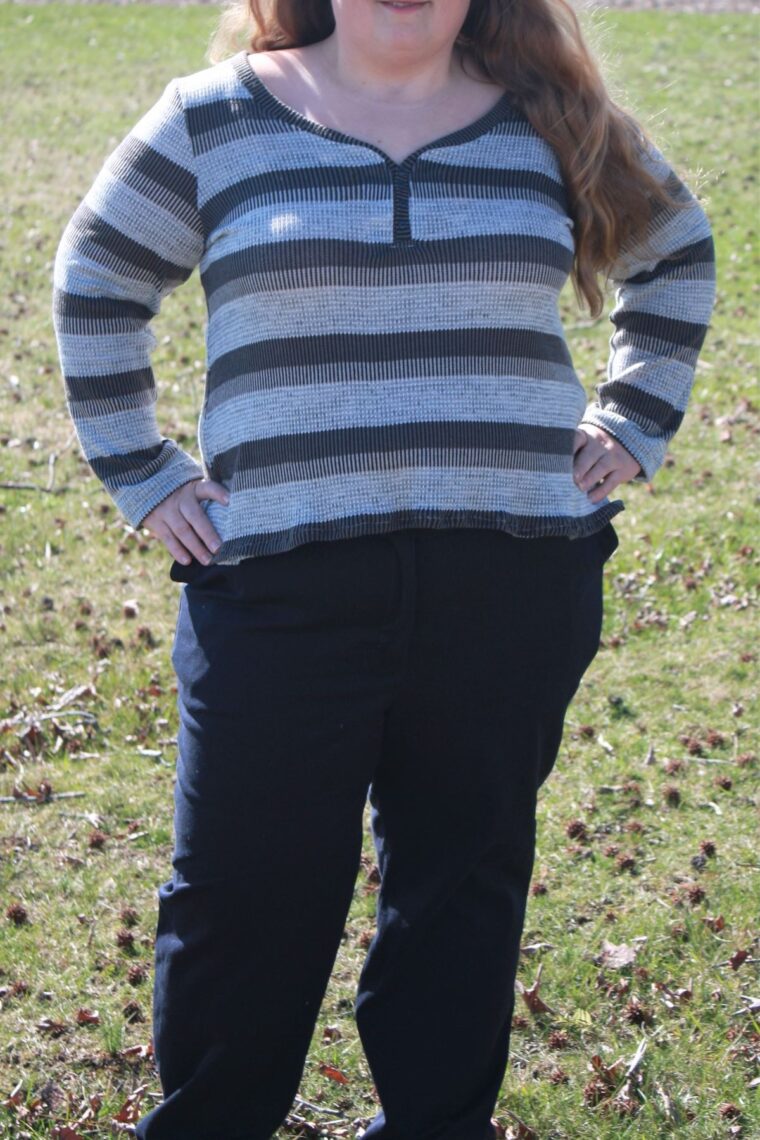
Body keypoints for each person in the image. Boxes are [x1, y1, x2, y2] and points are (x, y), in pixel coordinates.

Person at [52, 0, 716, 1136]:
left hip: (511, 579)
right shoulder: (215, 119)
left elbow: (677, 254)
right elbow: (98, 283)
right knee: (239, 897)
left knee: (461, 887)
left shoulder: (554, 118)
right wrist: (147, 471)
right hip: (278, 585)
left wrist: (633, 418)